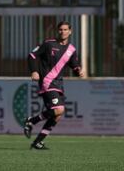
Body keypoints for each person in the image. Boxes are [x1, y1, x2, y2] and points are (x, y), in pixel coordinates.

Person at [25, 21, 84, 150]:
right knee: (59, 109)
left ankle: (37, 142)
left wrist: (78, 70)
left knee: (57, 115)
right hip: (47, 81)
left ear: (70, 31)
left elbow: (74, 66)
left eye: (65, 30)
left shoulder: (71, 50)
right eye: (60, 30)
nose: (62, 32)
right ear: (58, 31)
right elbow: (32, 56)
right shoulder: (48, 44)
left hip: (59, 83)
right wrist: (34, 71)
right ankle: (32, 120)